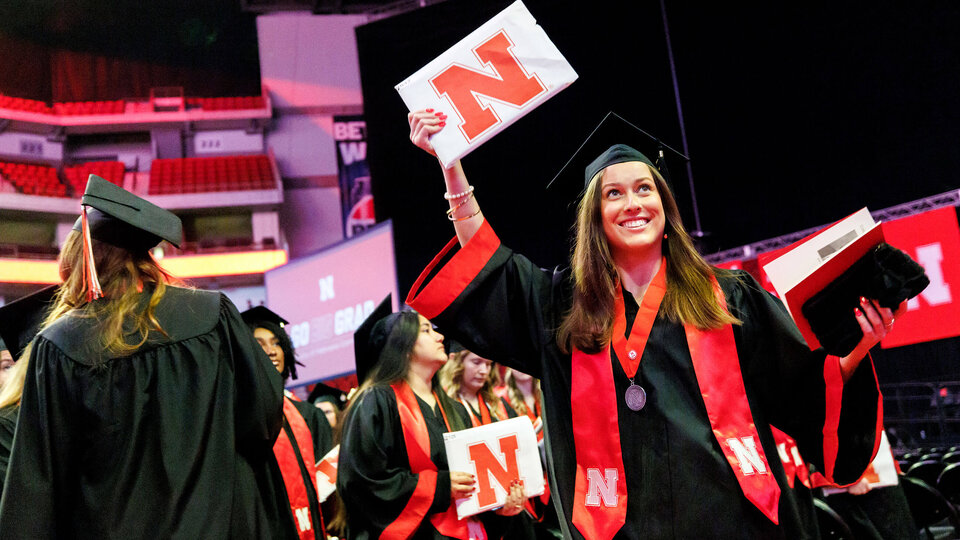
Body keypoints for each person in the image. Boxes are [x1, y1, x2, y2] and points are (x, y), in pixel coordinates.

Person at [405, 110, 902, 539]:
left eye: (645, 188)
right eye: (614, 194)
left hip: (734, 520)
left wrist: (858, 346)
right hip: (620, 527)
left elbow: (803, 384)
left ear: (665, 204)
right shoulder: (563, 305)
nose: (633, 204)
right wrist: (452, 168)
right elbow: (490, 268)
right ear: (595, 217)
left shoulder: (729, 297)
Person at [0, 175, 287, 538]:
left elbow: (39, 483)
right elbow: (261, 421)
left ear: (81, 256)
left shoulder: (61, 345)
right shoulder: (213, 316)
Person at [335, 296, 526, 539]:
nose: (440, 337)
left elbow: (473, 490)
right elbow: (361, 483)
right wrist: (440, 487)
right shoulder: (377, 402)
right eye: (426, 330)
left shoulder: (455, 410)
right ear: (402, 347)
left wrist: (501, 507)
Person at [242, 305, 335, 539]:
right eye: (260, 345)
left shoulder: (309, 416)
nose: (272, 351)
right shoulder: (242, 419)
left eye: (276, 343)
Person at [440, 346, 512, 425]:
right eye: (476, 362)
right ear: (458, 362)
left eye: (488, 364)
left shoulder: (497, 403)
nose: (484, 371)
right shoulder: (444, 402)